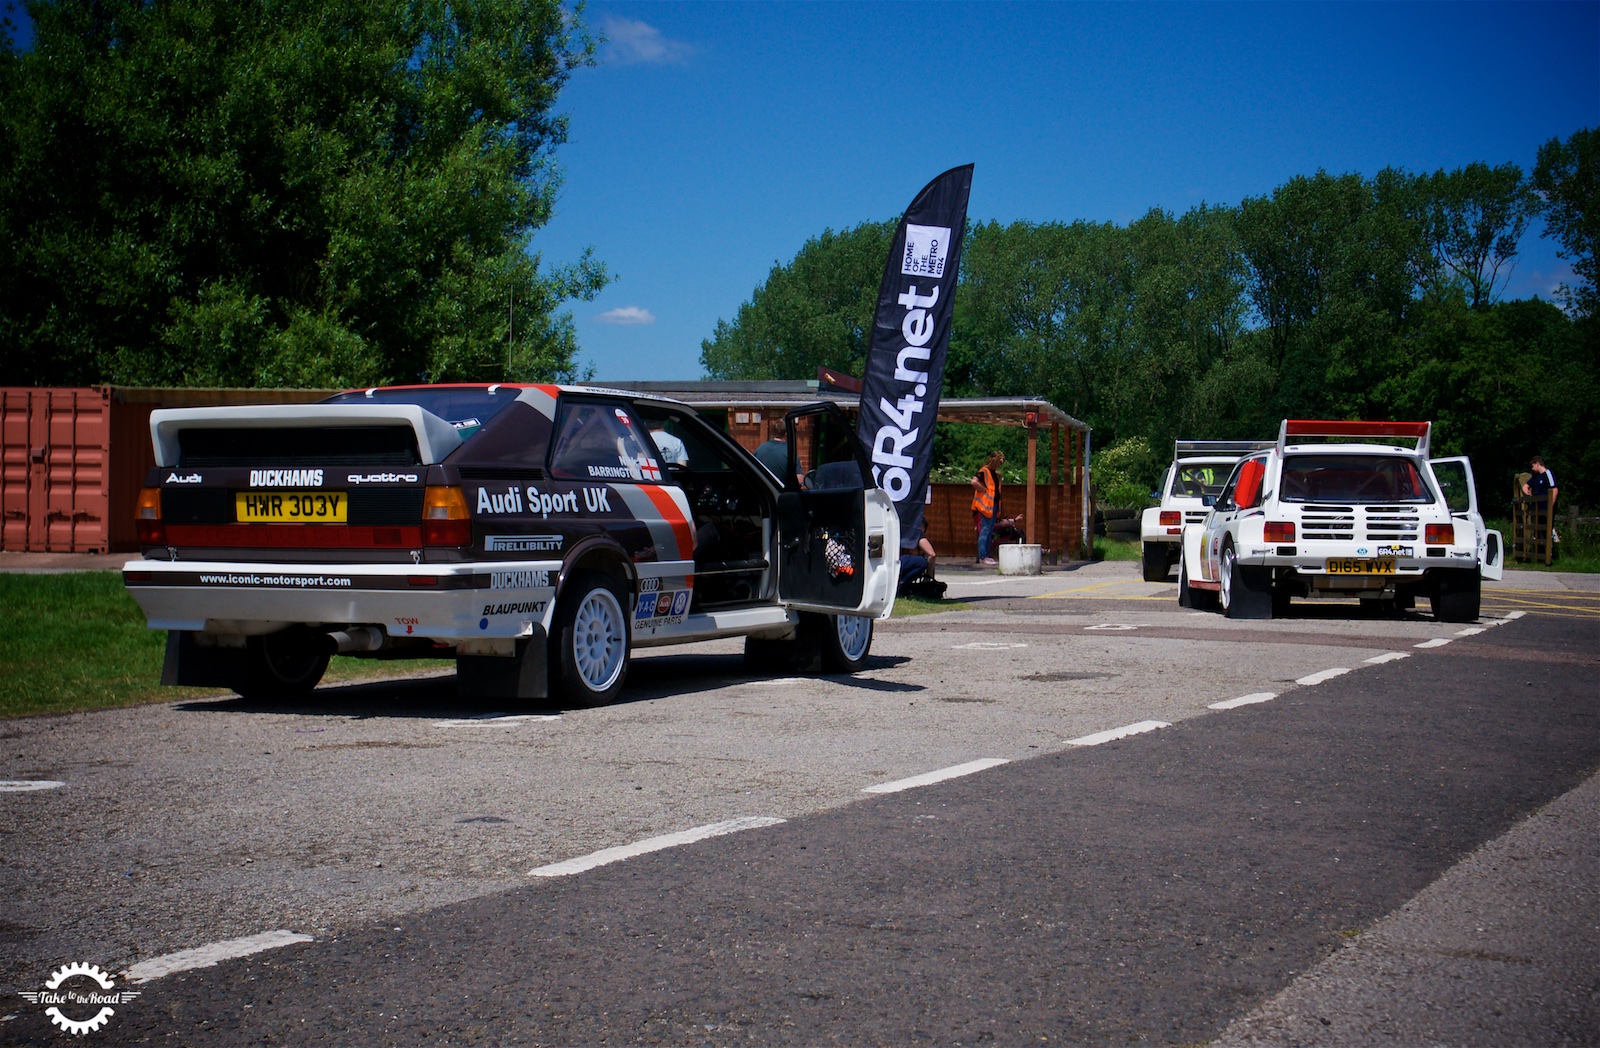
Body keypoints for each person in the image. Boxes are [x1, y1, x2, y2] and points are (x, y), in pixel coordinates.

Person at [970, 450, 1005, 565]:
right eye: (1000, 461)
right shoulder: (984, 471)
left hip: (992, 506)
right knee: (985, 530)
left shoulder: (995, 473)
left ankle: (986, 555)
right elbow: (973, 482)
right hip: (984, 506)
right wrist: (984, 490)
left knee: (989, 531)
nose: (1001, 464)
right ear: (994, 460)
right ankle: (983, 556)